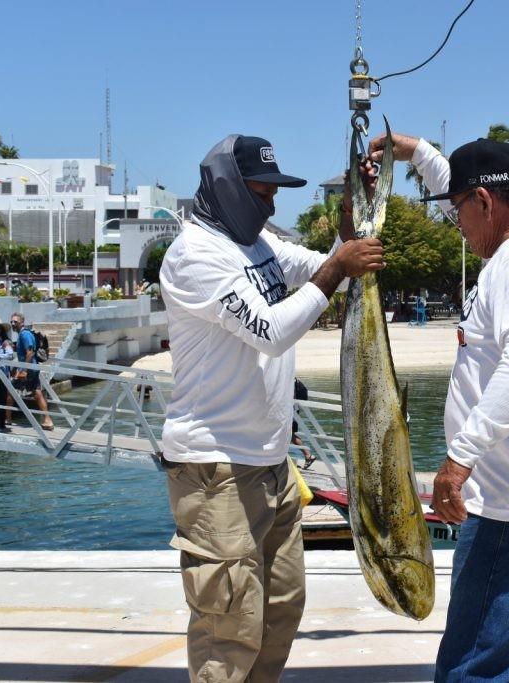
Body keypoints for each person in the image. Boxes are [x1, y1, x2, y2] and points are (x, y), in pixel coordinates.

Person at [159, 134, 384, 682]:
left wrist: (350, 222)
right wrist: (338, 269)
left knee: (282, 608)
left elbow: (318, 264)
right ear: (229, 190)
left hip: (271, 464)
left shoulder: (257, 244)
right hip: (216, 468)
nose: (272, 205)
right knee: (229, 629)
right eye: (263, 193)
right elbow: (272, 331)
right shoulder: (196, 255)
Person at [370, 132, 509, 682]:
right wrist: (416, 152)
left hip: (508, 510)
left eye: (459, 211)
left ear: (485, 203)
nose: (456, 226)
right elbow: (462, 190)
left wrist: (458, 460)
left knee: (473, 668)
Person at [9, 313, 54, 430]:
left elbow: (30, 352)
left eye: (16, 322)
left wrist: (23, 369)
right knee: (37, 393)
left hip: (29, 369)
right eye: (12, 322)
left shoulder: (24, 334)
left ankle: (6, 418)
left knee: (10, 390)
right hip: (31, 367)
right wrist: (16, 368)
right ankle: (47, 420)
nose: (13, 324)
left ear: (22, 322)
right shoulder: (22, 334)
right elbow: (23, 355)